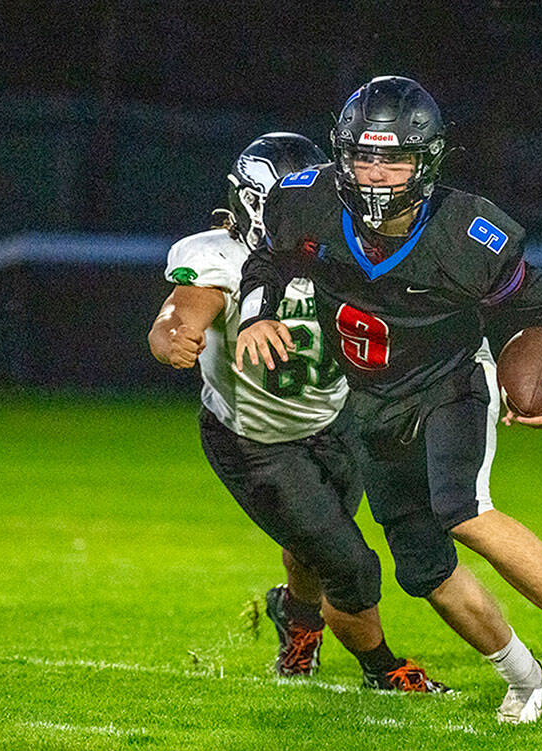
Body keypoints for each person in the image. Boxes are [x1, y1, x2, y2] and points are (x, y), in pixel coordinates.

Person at [234, 77, 542, 723]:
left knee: (462, 509)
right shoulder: (305, 203)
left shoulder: (468, 232)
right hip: (371, 402)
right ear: (340, 154)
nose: (377, 175)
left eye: (395, 158)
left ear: (427, 162)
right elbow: (268, 262)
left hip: (451, 383)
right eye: (365, 157)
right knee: (424, 569)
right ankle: (526, 678)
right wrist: (254, 317)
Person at [149, 132, 445, 692]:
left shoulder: (348, 248)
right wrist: (174, 335)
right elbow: (182, 310)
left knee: (315, 541)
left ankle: (296, 617)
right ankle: (381, 668)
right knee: (350, 563)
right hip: (253, 440)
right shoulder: (220, 253)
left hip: (335, 421)